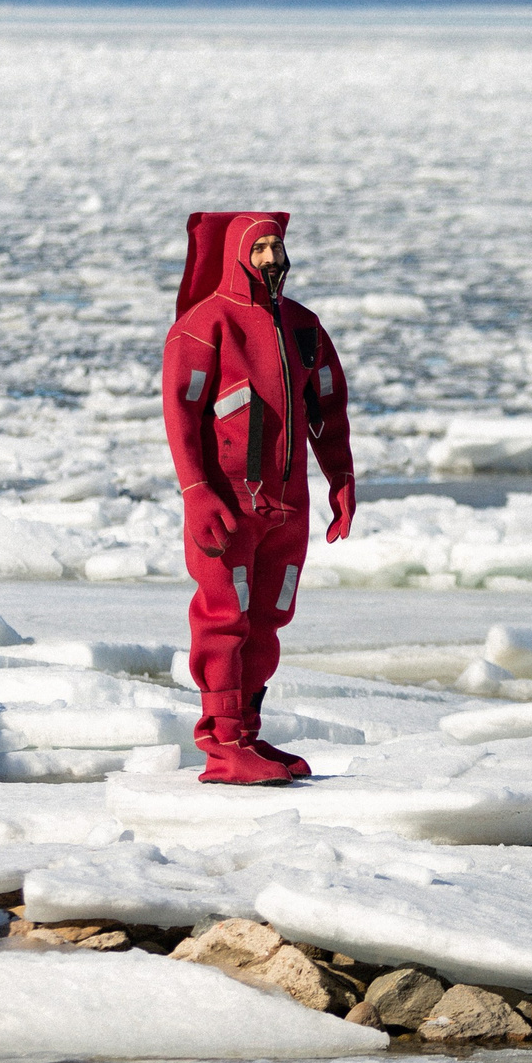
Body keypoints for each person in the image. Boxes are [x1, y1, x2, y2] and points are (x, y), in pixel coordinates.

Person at [162, 212, 355, 785]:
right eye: (261, 247)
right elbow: (181, 415)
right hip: (227, 507)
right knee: (225, 618)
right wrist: (197, 493)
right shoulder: (205, 327)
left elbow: (330, 408)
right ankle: (220, 741)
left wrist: (340, 479)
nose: (273, 258)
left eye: (278, 245)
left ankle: (245, 731)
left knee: (269, 618)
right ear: (238, 253)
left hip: (287, 507)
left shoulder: (303, 327)